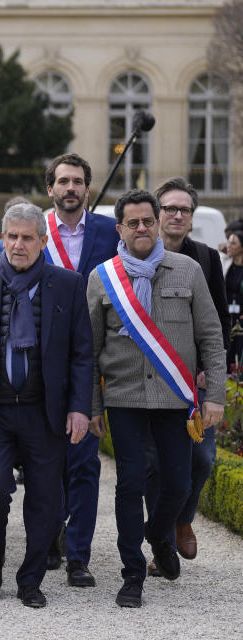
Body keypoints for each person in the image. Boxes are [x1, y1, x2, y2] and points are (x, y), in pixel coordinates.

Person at [0, 202, 93, 609]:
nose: (19, 245)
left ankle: (31, 579)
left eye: (28, 237)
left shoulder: (68, 284)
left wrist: (80, 407)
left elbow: (82, 353)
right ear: (1, 239)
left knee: (46, 499)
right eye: (12, 236)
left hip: (44, 412)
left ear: (43, 241)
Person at [88, 188, 225, 608]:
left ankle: (159, 534)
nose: (143, 228)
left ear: (158, 222)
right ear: (121, 228)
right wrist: (93, 406)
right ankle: (132, 574)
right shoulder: (102, 277)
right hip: (125, 396)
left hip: (175, 397)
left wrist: (215, 395)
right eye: (134, 222)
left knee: (179, 483)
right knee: (130, 484)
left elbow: (211, 335)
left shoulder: (186, 270)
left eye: (149, 220)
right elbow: (89, 350)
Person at [42, 153, 118, 585]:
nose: (70, 188)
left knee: (86, 462)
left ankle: (79, 555)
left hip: (92, 363)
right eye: (62, 181)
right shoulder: (34, 230)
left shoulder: (110, 231)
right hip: (43, 363)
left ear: (88, 189)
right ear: (50, 188)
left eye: (77, 182)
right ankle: (51, 529)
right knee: (47, 459)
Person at [146, 177, 229, 569]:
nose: (177, 215)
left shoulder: (208, 258)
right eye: (170, 208)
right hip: (144, 378)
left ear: (192, 217)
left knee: (201, 459)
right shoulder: (137, 252)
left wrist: (209, 376)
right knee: (151, 464)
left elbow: (216, 327)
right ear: (157, 213)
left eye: (185, 210)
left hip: (190, 381)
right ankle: (159, 539)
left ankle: (182, 520)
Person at [224, 229, 243, 364]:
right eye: (228, 242)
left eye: (233, 243)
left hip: (241, 320)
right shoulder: (225, 264)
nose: (228, 246)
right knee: (227, 355)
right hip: (228, 317)